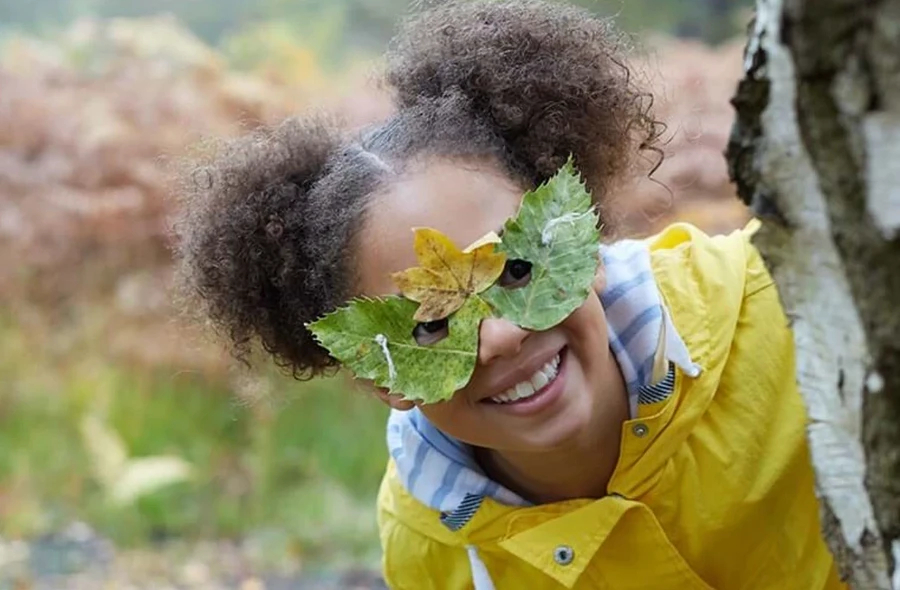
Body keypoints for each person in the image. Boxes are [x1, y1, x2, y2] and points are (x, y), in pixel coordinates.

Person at [173, 1, 846, 588]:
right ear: (375, 378)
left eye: (519, 271)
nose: (500, 337)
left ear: (589, 245)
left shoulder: (795, 304)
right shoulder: (429, 545)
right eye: (430, 326)